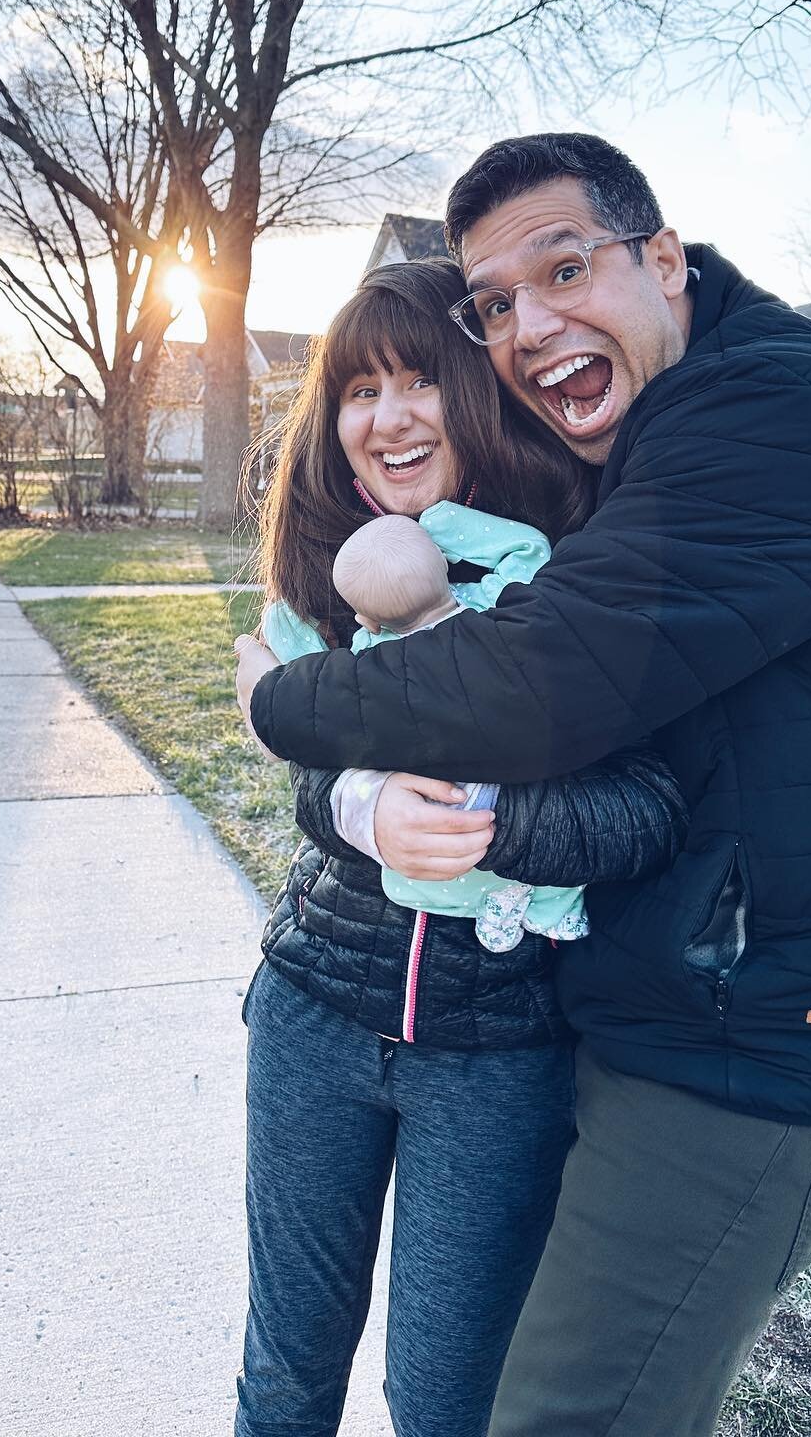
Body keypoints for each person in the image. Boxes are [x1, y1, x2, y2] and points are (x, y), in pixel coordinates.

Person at [237, 133, 811, 1437]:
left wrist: (282, 710)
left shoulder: (759, 417)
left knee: (527, 1412)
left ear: (665, 259)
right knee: (322, 1374)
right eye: (502, 303)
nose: (533, 323)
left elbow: (561, 705)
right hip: (603, 1009)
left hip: (751, 1040)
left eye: (566, 266)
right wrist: (349, 795)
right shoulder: (649, 441)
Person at [234, 257, 685, 1437]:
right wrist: (359, 810)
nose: (387, 418)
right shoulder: (341, 577)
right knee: (284, 1376)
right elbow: (303, 748)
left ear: (481, 388)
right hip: (314, 1015)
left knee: (443, 1402)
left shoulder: (575, 579)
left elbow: (648, 810)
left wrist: (491, 820)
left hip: (496, 1062)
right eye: (357, 390)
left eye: (420, 379)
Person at [266, 509, 588, 951]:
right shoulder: (493, 611)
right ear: (443, 561)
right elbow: (530, 551)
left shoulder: (373, 657)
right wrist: (442, 524)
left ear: (367, 619)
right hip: (507, 789)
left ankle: (492, 904)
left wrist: (281, 622)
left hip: (437, 802)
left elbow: (313, 679)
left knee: (417, 868)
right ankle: (549, 907)